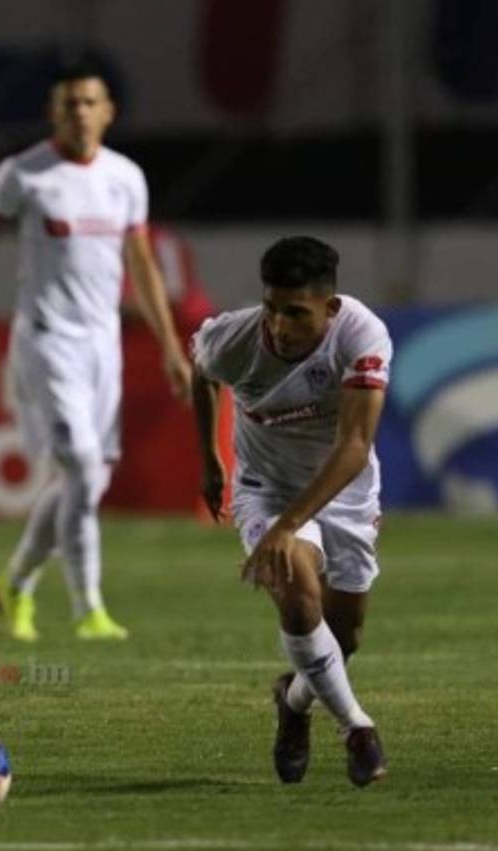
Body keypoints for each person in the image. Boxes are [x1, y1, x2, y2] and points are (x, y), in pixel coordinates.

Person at [0, 63, 192, 642]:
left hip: (102, 345)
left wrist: (170, 348)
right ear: (53, 113)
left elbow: (141, 265)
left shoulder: (125, 177)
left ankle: (15, 582)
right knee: (79, 464)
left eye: (89, 101)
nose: (79, 111)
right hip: (46, 339)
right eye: (69, 103)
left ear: (108, 112)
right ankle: (88, 609)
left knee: (89, 480)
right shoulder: (23, 174)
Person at [190, 235, 389, 788]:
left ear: (330, 307)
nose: (279, 326)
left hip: (345, 491)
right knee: (299, 598)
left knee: (343, 639)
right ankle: (357, 728)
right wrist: (209, 458)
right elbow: (201, 373)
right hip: (266, 488)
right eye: (272, 309)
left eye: (296, 313)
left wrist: (289, 526)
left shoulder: (362, 336)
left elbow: (354, 447)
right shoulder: (233, 337)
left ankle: (294, 701)